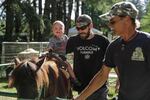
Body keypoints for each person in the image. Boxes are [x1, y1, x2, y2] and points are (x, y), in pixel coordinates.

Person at [75, 1, 150, 100]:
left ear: (127, 19)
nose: (110, 25)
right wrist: (79, 98)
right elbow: (102, 76)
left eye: (113, 21)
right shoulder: (114, 46)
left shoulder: (147, 42)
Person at [66, 14, 110, 100]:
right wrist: (74, 78)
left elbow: (113, 61)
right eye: (78, 29)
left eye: (83, 28)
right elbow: (64, 60)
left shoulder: (103, 41)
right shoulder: (72, 41)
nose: (80, 31)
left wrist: (120, 79)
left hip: (99, 87)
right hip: (82, 87)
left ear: (91, 25)